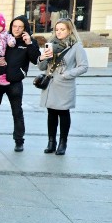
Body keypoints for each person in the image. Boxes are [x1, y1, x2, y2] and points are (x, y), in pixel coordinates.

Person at [0, 15, 41, 152]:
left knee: (17, 112)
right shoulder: (2, 36)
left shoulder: (28, 41)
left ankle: (19, 141)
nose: (17, 29)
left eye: (20, 27)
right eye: (14, 26)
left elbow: (36, 59)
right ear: (11, 26)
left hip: (14, 82)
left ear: (25, 28)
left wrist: (29, 43)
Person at [38, 18, 89, 155]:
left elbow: (84, 66)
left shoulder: (76, 46)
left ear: (69, 30)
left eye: (62, 29)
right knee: (51, 113)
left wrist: (67, 74)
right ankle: (51, 142)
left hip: (65, 85)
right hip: (50, 85)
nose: (59, 32)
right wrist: (43, 57)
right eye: (57, 29)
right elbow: (41, 67)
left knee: (63, 113)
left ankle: (62, 143)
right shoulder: (50, 44)